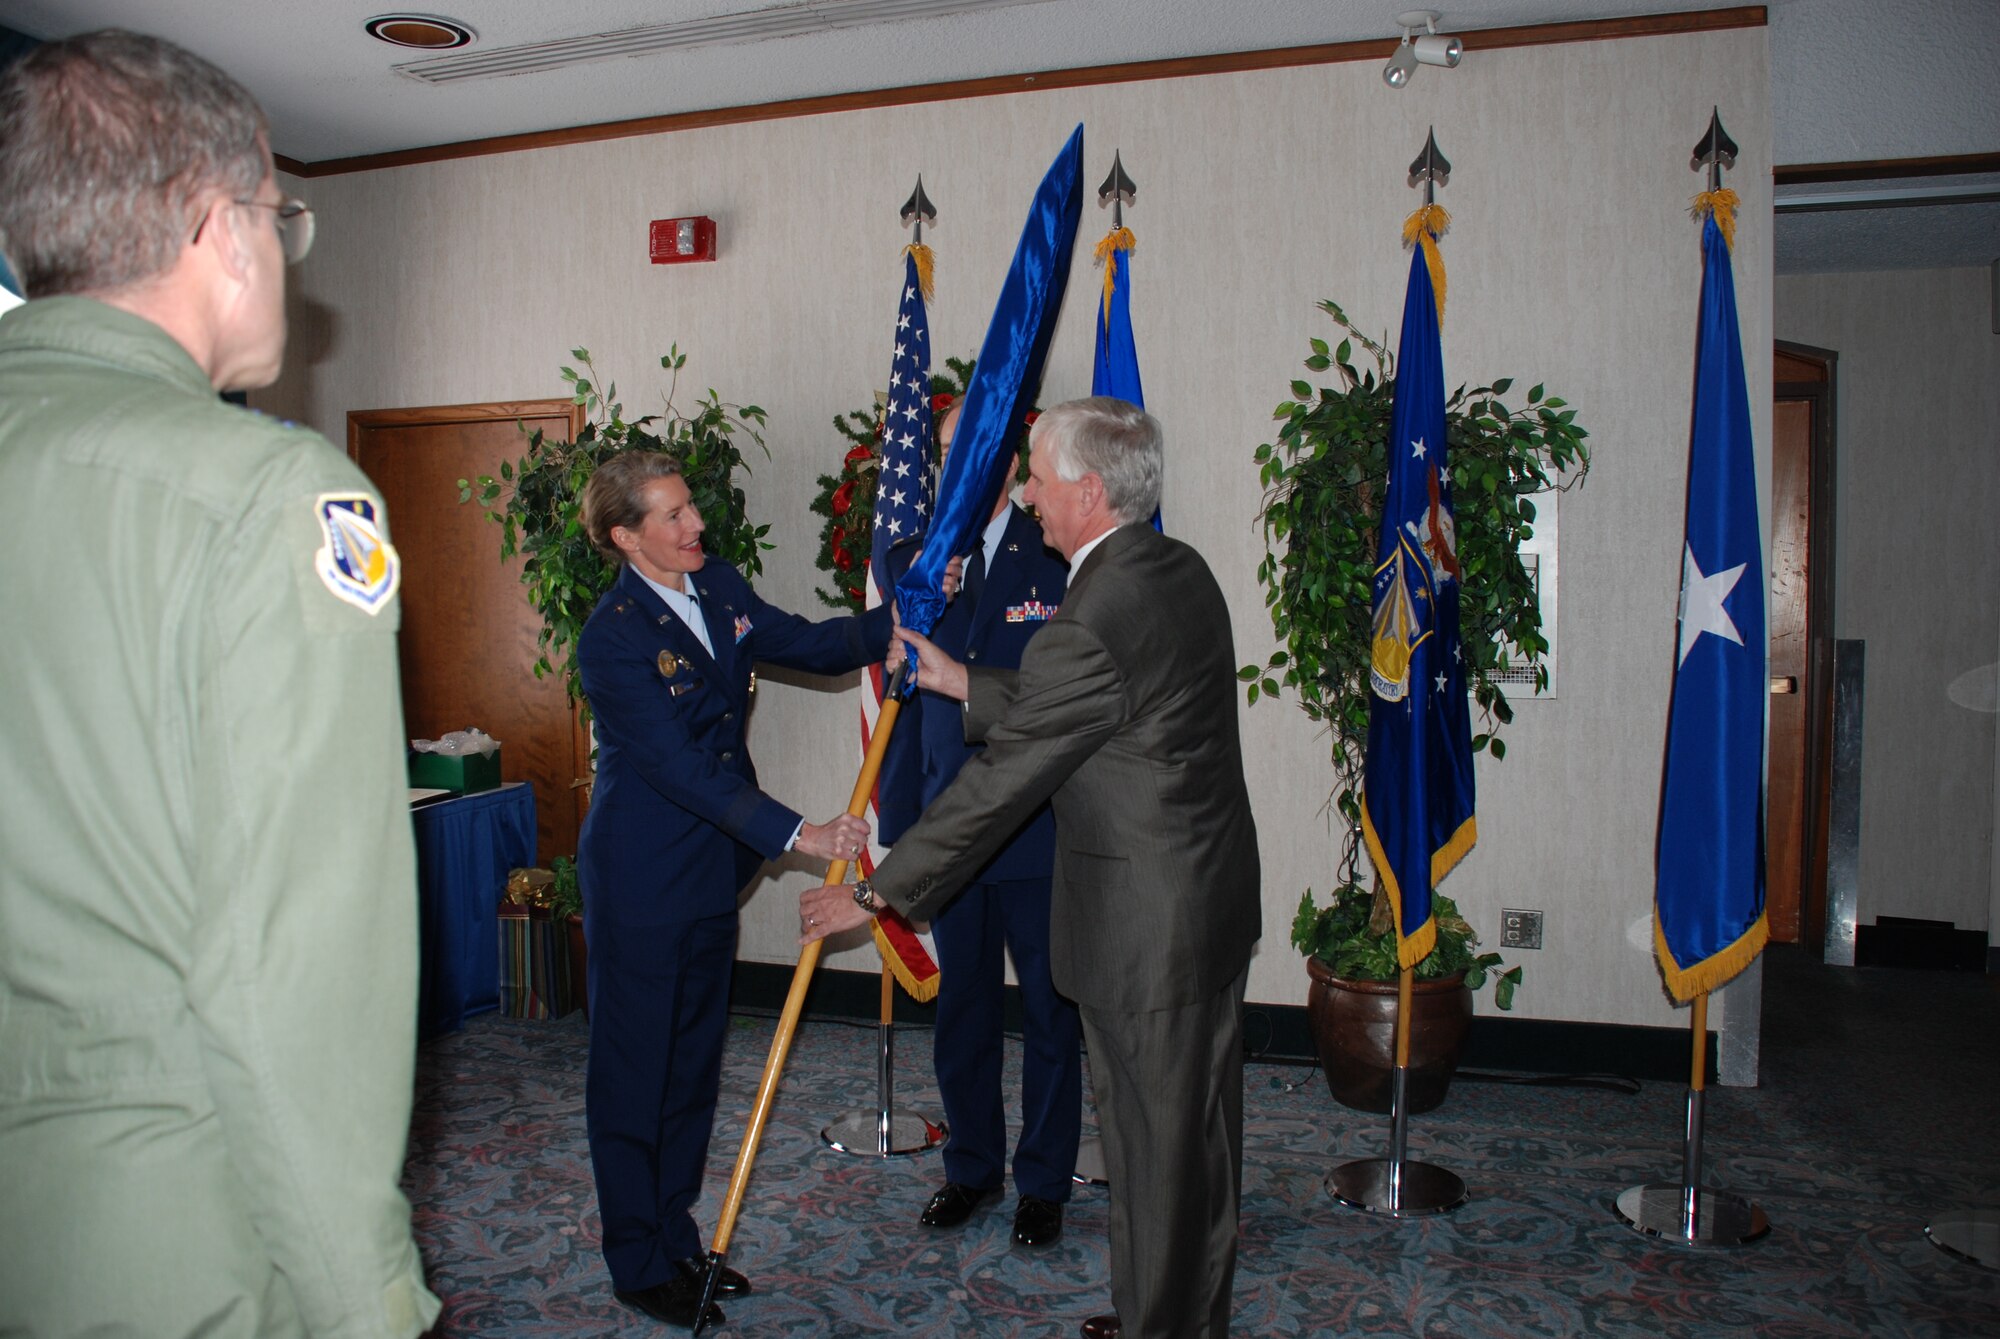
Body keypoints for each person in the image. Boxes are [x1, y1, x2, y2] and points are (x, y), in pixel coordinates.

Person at [0, 29, 439, 1339]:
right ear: (217, 222)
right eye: (281, 215)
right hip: (168, 1232)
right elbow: (288, 969)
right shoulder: (267, 497)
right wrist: (369, 1301)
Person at [802, 397, 1262, 1339]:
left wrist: (878, 893)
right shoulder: (1172, 569)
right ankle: (1170, 1311)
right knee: (1195, 1145)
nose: (1031, 496)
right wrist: (959, 679)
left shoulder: (1094, 610)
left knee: (1155, 1156)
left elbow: (1007, 779)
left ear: (1089, 492)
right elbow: (1092, 699)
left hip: (1146, 927)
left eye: (1042, 480)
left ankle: (1162, 1325)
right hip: (1201, 901)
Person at [575, 449, 892, 1330]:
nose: (696, 527)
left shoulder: (715, 585)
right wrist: (804, 833)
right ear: (624, 536)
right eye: (673, 517)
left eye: (691, 510)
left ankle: (676, 1231)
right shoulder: (612, 638)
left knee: (690, 1066)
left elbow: (809, 642)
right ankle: (637, 1260)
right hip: (641, 878)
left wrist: (899, 621)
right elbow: (679, 769)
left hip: (711, 870)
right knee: (635, 1075)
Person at [878, 403, 1081, 1247]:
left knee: (1047, 1008)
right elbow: (904, 679)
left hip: (1036, 822)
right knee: (962, 1008)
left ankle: (1042, 1180)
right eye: (947, 447)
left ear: (1010, 463)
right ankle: (970, 1169)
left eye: (975, 447)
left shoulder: (1059, 557)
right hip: (951, 821)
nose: (956, 459)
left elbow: (1062, 688)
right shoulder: (913, 557)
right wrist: (930, 593)